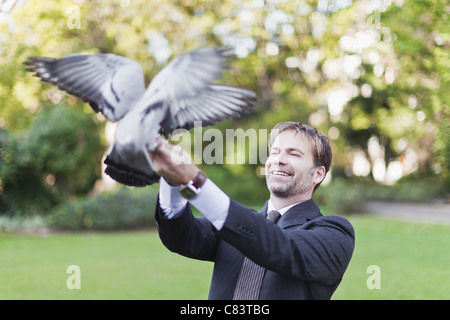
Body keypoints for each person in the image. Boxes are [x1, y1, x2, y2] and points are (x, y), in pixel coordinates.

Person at [148, 121, 355, 300]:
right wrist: (171, 178)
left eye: (294, 154)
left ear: (318, 174)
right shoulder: (234, 224)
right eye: (274, 152)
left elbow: (280, 247)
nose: (278, 160)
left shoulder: (335, 234)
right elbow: (180, 236)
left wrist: (196, 183)